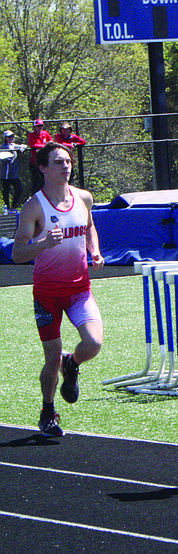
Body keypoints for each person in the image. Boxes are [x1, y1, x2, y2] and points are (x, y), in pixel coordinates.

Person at [11, 142, 105, 438]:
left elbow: (89, 226)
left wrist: (95, 252)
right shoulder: (34, 206)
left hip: (79, 289)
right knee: (51, 356)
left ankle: (72, 362)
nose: (66, 167)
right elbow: (16, 254)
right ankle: (48, 411)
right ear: (42, 168)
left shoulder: (83, 198)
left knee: (93, 344)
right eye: (58, 162)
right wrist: (43, 244)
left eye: (67, 161)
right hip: (47, 294)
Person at [1, 130, 26, 211]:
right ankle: (7, 207)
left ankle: (13, 206)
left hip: (14, 173)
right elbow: (6, 157)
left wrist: (21, 148)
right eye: (9, 137)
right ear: (5, 138)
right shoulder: (3, 147)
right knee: (6, 190)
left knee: (19, 189)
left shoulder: (13, 145)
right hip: (6, 173)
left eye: (12, 136)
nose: (11, 138)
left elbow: (22, 146)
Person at [27, 119, 52, 194]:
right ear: (34, 127)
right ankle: (34, 198)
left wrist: (42, 147)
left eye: (41, 126)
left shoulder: (45, 133)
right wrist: (45, 146)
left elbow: (51, 142)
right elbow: (34, 145)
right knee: (36, 182)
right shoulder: (31, 135)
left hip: (44, 162)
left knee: (45, 181)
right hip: (35, 163)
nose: (40, 127)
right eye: (38, 126)